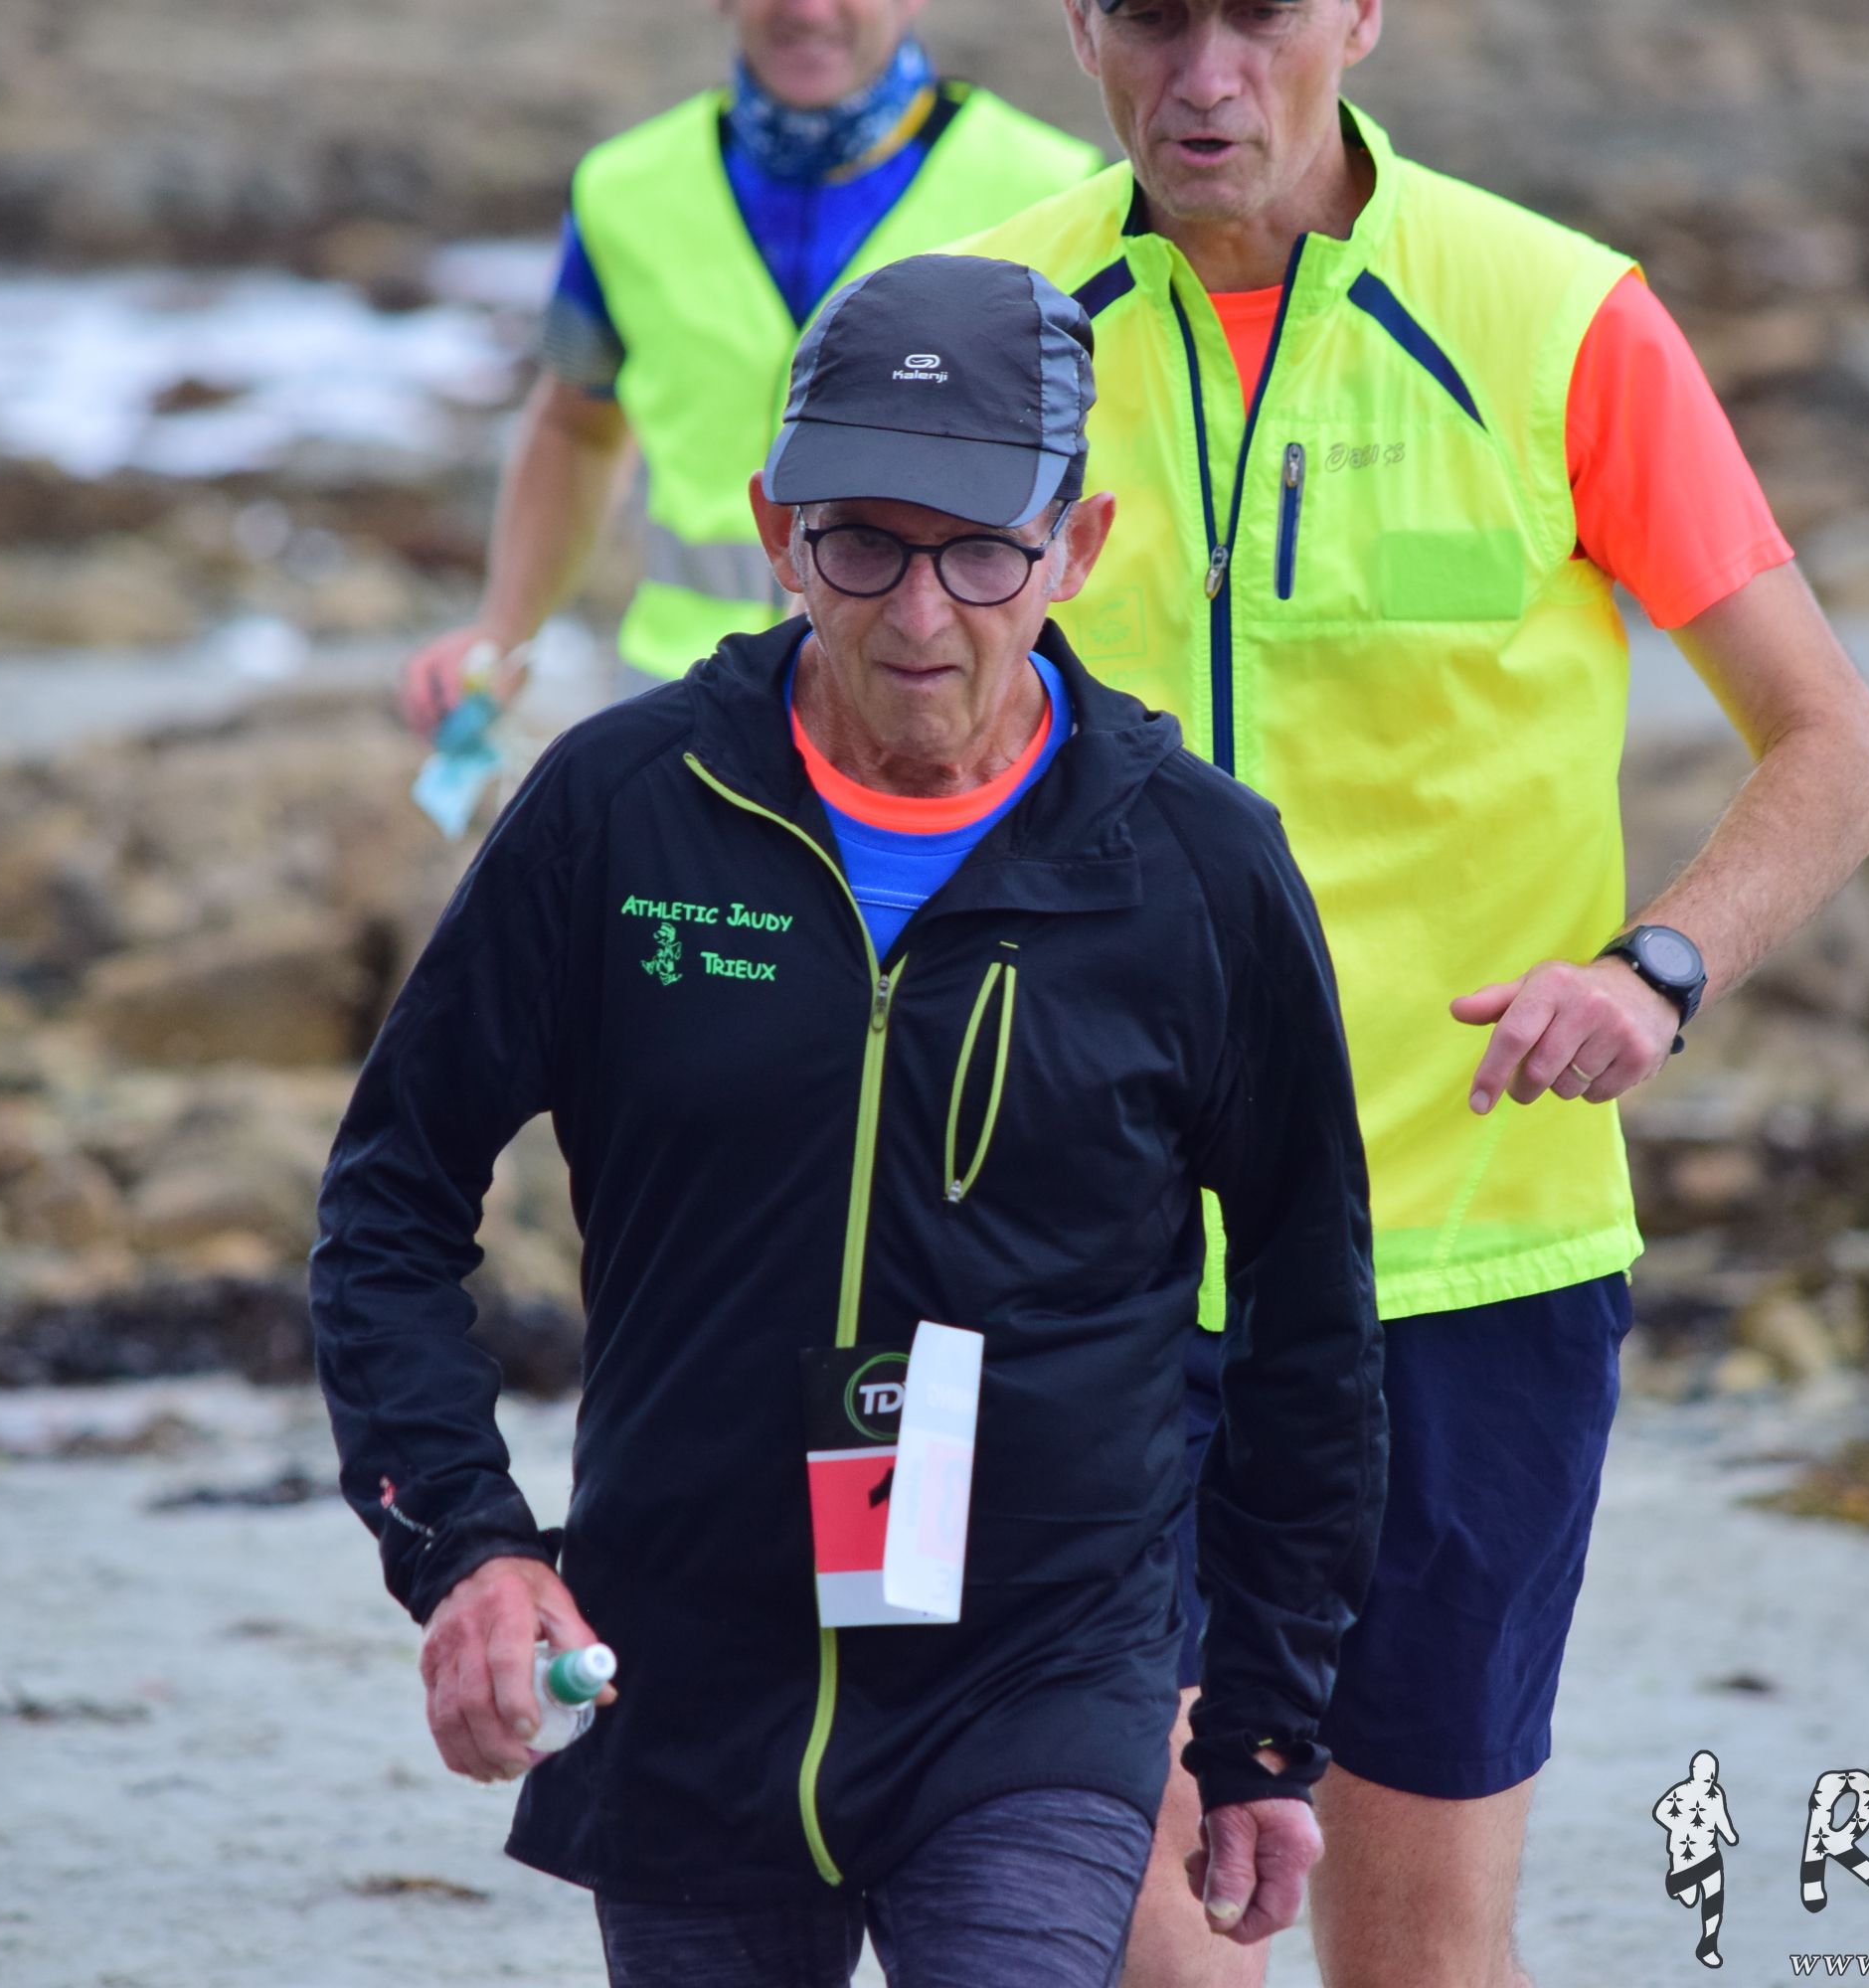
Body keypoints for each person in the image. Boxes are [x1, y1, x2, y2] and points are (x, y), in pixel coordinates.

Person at [957, 6, 1869, 1985]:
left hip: (1464, 1267)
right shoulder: (982, 323)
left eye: (1258, 13)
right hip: (1075, 1272)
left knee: (1417, 1952)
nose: (1204, 75)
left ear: (1358, 13)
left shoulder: (1558, 319)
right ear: (1077, 23)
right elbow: (845, 733)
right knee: (1117, 1925)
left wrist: (1655, 969)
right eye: (1150, 14)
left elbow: (1832, 751)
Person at [315, 253, 1387, 1988]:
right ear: (774, 529)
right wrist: (467, 1549)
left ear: (1079, 545)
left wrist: (1263, 1723)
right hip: (685, 1669)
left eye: (982, 552)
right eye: (862, 544)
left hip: (1034, 1678)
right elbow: (388, 1199)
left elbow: (1308, 1312)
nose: (919, 614)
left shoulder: (1194, 868)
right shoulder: (623, 812)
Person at [400, 0, 1103, 731]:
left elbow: (1113, 467)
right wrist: (502, 635)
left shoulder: (1055, 188)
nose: (808, 9)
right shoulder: (623, 191)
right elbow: (576, 426)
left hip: (937, 702)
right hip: (681, 701)